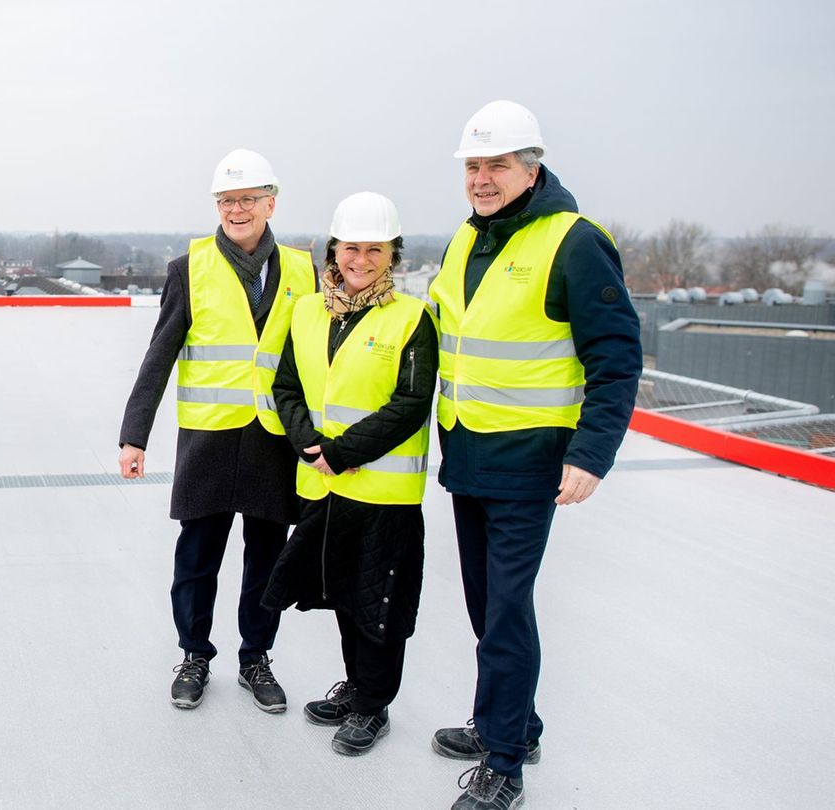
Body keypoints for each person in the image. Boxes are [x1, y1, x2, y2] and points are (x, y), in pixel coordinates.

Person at [428, 101, 642, 810]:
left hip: (529, 463)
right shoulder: (469, 239)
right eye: (473, 167)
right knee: (486, 606)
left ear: (531, 167)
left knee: (508, 609)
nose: (482, 179)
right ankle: (513, 720)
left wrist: (593, 453)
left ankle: (506, 762)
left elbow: (615, 355)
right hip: (468, 456)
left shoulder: (574, 242)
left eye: (496, 165)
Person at [118, 148, 316, 713]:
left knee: (266, 558)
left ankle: (256, 658)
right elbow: (159, 355)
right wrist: (135, 436)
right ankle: (194, 656)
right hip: (208, 439)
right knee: (198, 557)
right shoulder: (190, 268)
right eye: (227, 200)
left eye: (247, 199)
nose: (236, 209)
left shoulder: (305, 269)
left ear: (270, 203)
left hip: (272, 440)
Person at [261, 192, 437, 756]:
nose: (361, 260)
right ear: (334, 250)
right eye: (351, 248)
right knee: (343, 594)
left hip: (382, 493)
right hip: (323, 484)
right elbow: (286, 386)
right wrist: (309, 443)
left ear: (393, 255)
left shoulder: (411, 318)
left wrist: (341, 451)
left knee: (378, 603)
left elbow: (410, 403)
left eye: (375, 250)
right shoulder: (308, 311)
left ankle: (373, 705)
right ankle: (358, 688)